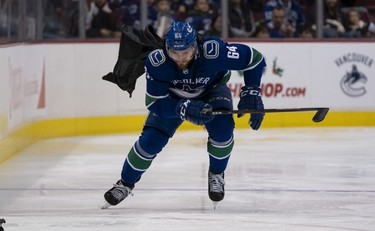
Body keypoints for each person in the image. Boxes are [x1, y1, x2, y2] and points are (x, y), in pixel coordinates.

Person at [102, 21, 266, 209]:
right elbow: (154, 103)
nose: (181, 59)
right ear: (167, 48)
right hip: (172, 99)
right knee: (150, 142)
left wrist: (252, 90)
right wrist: (182, 107)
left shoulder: (214, 51)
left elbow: (255, 59)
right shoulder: (158, 62)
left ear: (195, 46)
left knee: (223, 130)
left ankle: (217, 173)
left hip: (212, 91)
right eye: (175, 53)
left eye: (186, 52)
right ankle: (125, 183)